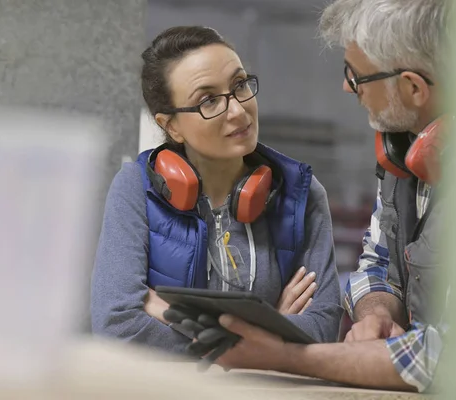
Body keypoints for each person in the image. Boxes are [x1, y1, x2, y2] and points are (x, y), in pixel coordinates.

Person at [211, 0, 451, 393]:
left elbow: (446, 357)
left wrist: (282, 356)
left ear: (412, 87)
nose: (346, 87)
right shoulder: (403, 155)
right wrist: (375, 312)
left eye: (355, 76)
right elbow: (377, 263)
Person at [90, 26, 342, 353]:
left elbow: (321, 329)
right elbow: (118, 326)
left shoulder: (300, 195)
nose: (238, 110)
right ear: (171, 125)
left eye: (240, 85)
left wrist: (171, 315)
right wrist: (268, 332)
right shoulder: (136, 188)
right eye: (208, 100)